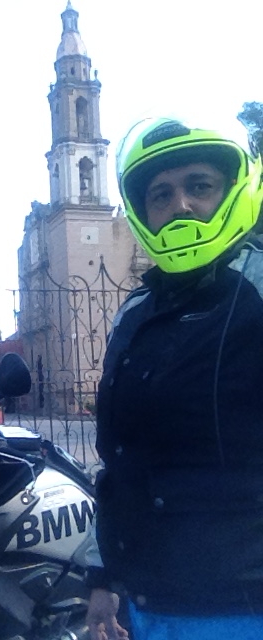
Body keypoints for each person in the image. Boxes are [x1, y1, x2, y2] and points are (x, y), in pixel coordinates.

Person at [85, 117, 263, 640]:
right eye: (160, 195)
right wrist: (102, 577)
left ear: (234, 189)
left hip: (243, 607)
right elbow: (118, 463)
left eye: (199, 186)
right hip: (148, 605)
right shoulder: (135, 312)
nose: (180, 205)